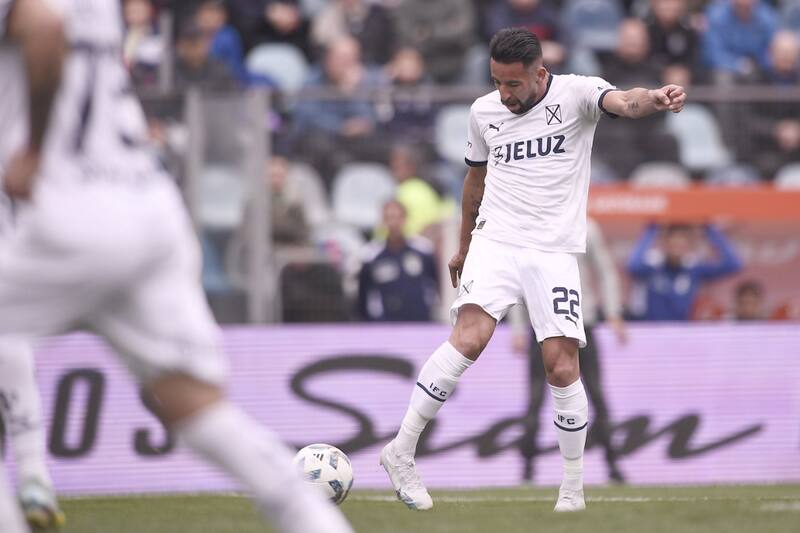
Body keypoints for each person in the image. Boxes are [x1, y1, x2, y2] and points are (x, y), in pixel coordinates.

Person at [0, 2, 353, 533]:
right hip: (146, 202)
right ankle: (315, 522)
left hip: (67, 205)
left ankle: (26, 489)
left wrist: (31, 149)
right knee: (195, 406)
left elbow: (44, 26)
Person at [379, 27, 686, 513]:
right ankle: (401, 451)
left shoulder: (577, 94)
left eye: (513, 85)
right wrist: (462, 248)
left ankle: (572, 490)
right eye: (497, 82)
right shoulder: (483, 113)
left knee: (562, 366)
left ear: (539, 74)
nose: (504, 94)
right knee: (469, 337)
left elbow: (626, 102)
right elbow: (473, 184)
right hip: (495, 240)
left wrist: (655, 97)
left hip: (554, 251)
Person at [511, 218, 627, 484]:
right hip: (542, 326)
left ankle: (613, 465)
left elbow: (605, 270)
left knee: (597, 396)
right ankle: (527, 469)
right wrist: (518, 327)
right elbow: (519, 280)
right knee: (535, 400)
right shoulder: (529, 226)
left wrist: (612, 311)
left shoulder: (586, 226)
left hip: (580, 323)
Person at [627, 224, 742, 321]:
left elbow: (733, 264)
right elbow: (632, 266)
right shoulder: (652, 269)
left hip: (683, 334)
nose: (676, 248)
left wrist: (709, 229)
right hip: (654, 334)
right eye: (673, 243)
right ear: (664, 244)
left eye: (681, 244)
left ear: (689, 246)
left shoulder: (694, 271)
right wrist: (652, 229)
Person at [358, 200, 439, 322]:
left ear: (405, 219)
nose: (394, 223)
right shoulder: (371, 256)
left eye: (397, 217)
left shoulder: (423, 250)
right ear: (383, 221)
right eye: (389, 218)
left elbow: (434, 283)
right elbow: (364, 293)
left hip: (420, 321)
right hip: (384, 323)